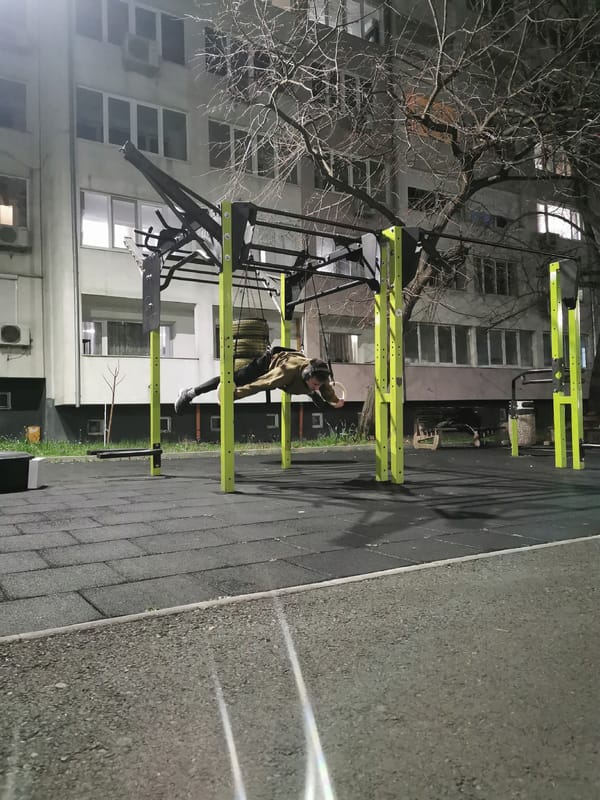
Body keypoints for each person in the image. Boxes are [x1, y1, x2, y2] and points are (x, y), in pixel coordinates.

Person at [174, 347, 345, 414]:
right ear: (307, 376)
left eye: (319, 384)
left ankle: (312, 394)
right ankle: (189, 393)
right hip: (268, 364)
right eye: (315, 384)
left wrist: (336, 401)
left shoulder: (320, 374)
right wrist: (233, 395)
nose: (318, 386)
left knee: (319, 397)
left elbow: (326, 389)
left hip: (295, 366)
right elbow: (261, 384)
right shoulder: (285, 373)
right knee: (232, 379)